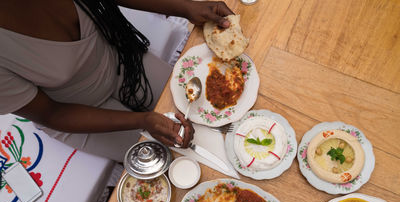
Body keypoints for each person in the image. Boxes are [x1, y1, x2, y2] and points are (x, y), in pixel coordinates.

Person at [0, 0, 234, 162]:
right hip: (75, 113)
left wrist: (186, 7)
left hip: (124, 62)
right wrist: (143, 120)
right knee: (177, 159)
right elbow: (50, 113)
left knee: (212, 110)